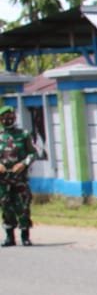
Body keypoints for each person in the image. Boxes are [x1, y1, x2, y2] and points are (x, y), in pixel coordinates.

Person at [0, 104, 35, 246]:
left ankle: (25, 236)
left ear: (14, 117)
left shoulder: (24, 134)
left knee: (23, 205)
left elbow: (32, 153)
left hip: (19, 178)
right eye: (4, 117)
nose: (7, 120)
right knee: (5, 205)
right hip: (2, 180)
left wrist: (23, 164)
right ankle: (10, 237)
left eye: (10, 117)